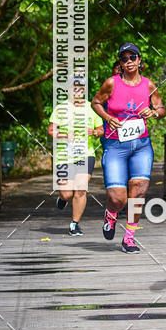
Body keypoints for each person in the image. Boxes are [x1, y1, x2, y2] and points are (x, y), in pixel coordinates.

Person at [91, 43, 166, 253]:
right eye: (124, 59)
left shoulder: (149, 85)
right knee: (117, 198)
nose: (129, 61)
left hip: (141, 145)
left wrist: (154, 113)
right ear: (120, 64)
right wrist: (107, 117)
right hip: (115, 145)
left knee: (139, 192)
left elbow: (161, 108)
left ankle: (129, 238)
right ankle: (111, 214)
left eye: (132, 57)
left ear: (139, 60)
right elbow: (95, 102)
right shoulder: (111, 84)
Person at [49, 86, 104, 236]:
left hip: (85, 154)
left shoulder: (91, 107)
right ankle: (62, 199)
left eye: (81, 87)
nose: (77, 90)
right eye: (74, 87)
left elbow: (101, 130)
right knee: (67, 194)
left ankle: (74, 224)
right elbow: (51, 130)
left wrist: (94, 132)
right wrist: (64, 136)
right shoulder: (61, 108)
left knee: (80, 188)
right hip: (64, 156)